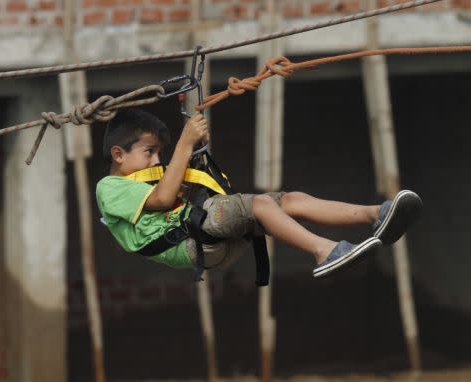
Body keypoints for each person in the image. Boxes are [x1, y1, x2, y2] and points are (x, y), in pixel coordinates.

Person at [96, 108, 422, 278]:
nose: (156, 160)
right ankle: (325, 251)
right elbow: (164, 201)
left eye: (158, 153)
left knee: (290, 199)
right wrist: (185, 142)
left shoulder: (144, 180)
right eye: (149, 152)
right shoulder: (109, 188)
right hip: (193, 243)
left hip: (208, 236)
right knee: (263, 205)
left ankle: (375, 214)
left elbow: (168, 199)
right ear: (118, 154)